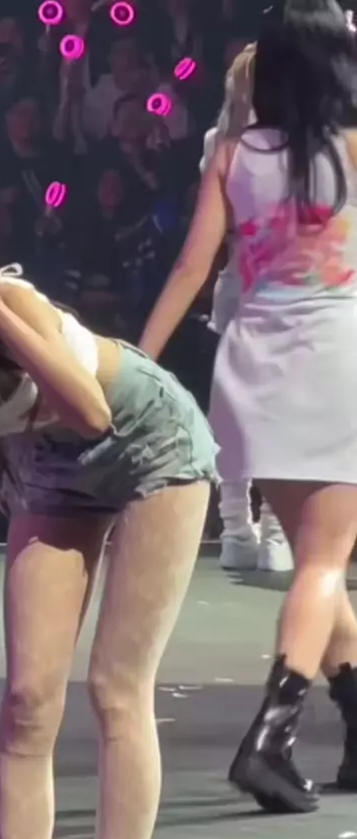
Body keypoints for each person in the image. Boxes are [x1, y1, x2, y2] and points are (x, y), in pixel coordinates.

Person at [0, 202, 217, 839]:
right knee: (28, 701)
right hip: (49, 470)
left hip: (148, 439)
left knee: (117, 688)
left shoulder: (6, 307)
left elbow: (92, 415)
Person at [139, 0, 357, 814]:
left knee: (316, 559)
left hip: (253, 366)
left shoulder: (233, 153)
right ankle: (268, 741)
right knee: (325, 563)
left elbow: (193, 269)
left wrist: (142, 360)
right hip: (334, 361)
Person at [201, 45, 292, 572]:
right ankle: (262, 531)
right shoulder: (297, 142)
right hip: (278, 288)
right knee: (276, 411)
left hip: (248, 287)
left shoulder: (221, 142)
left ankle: (243, 529)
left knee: (238, 415)